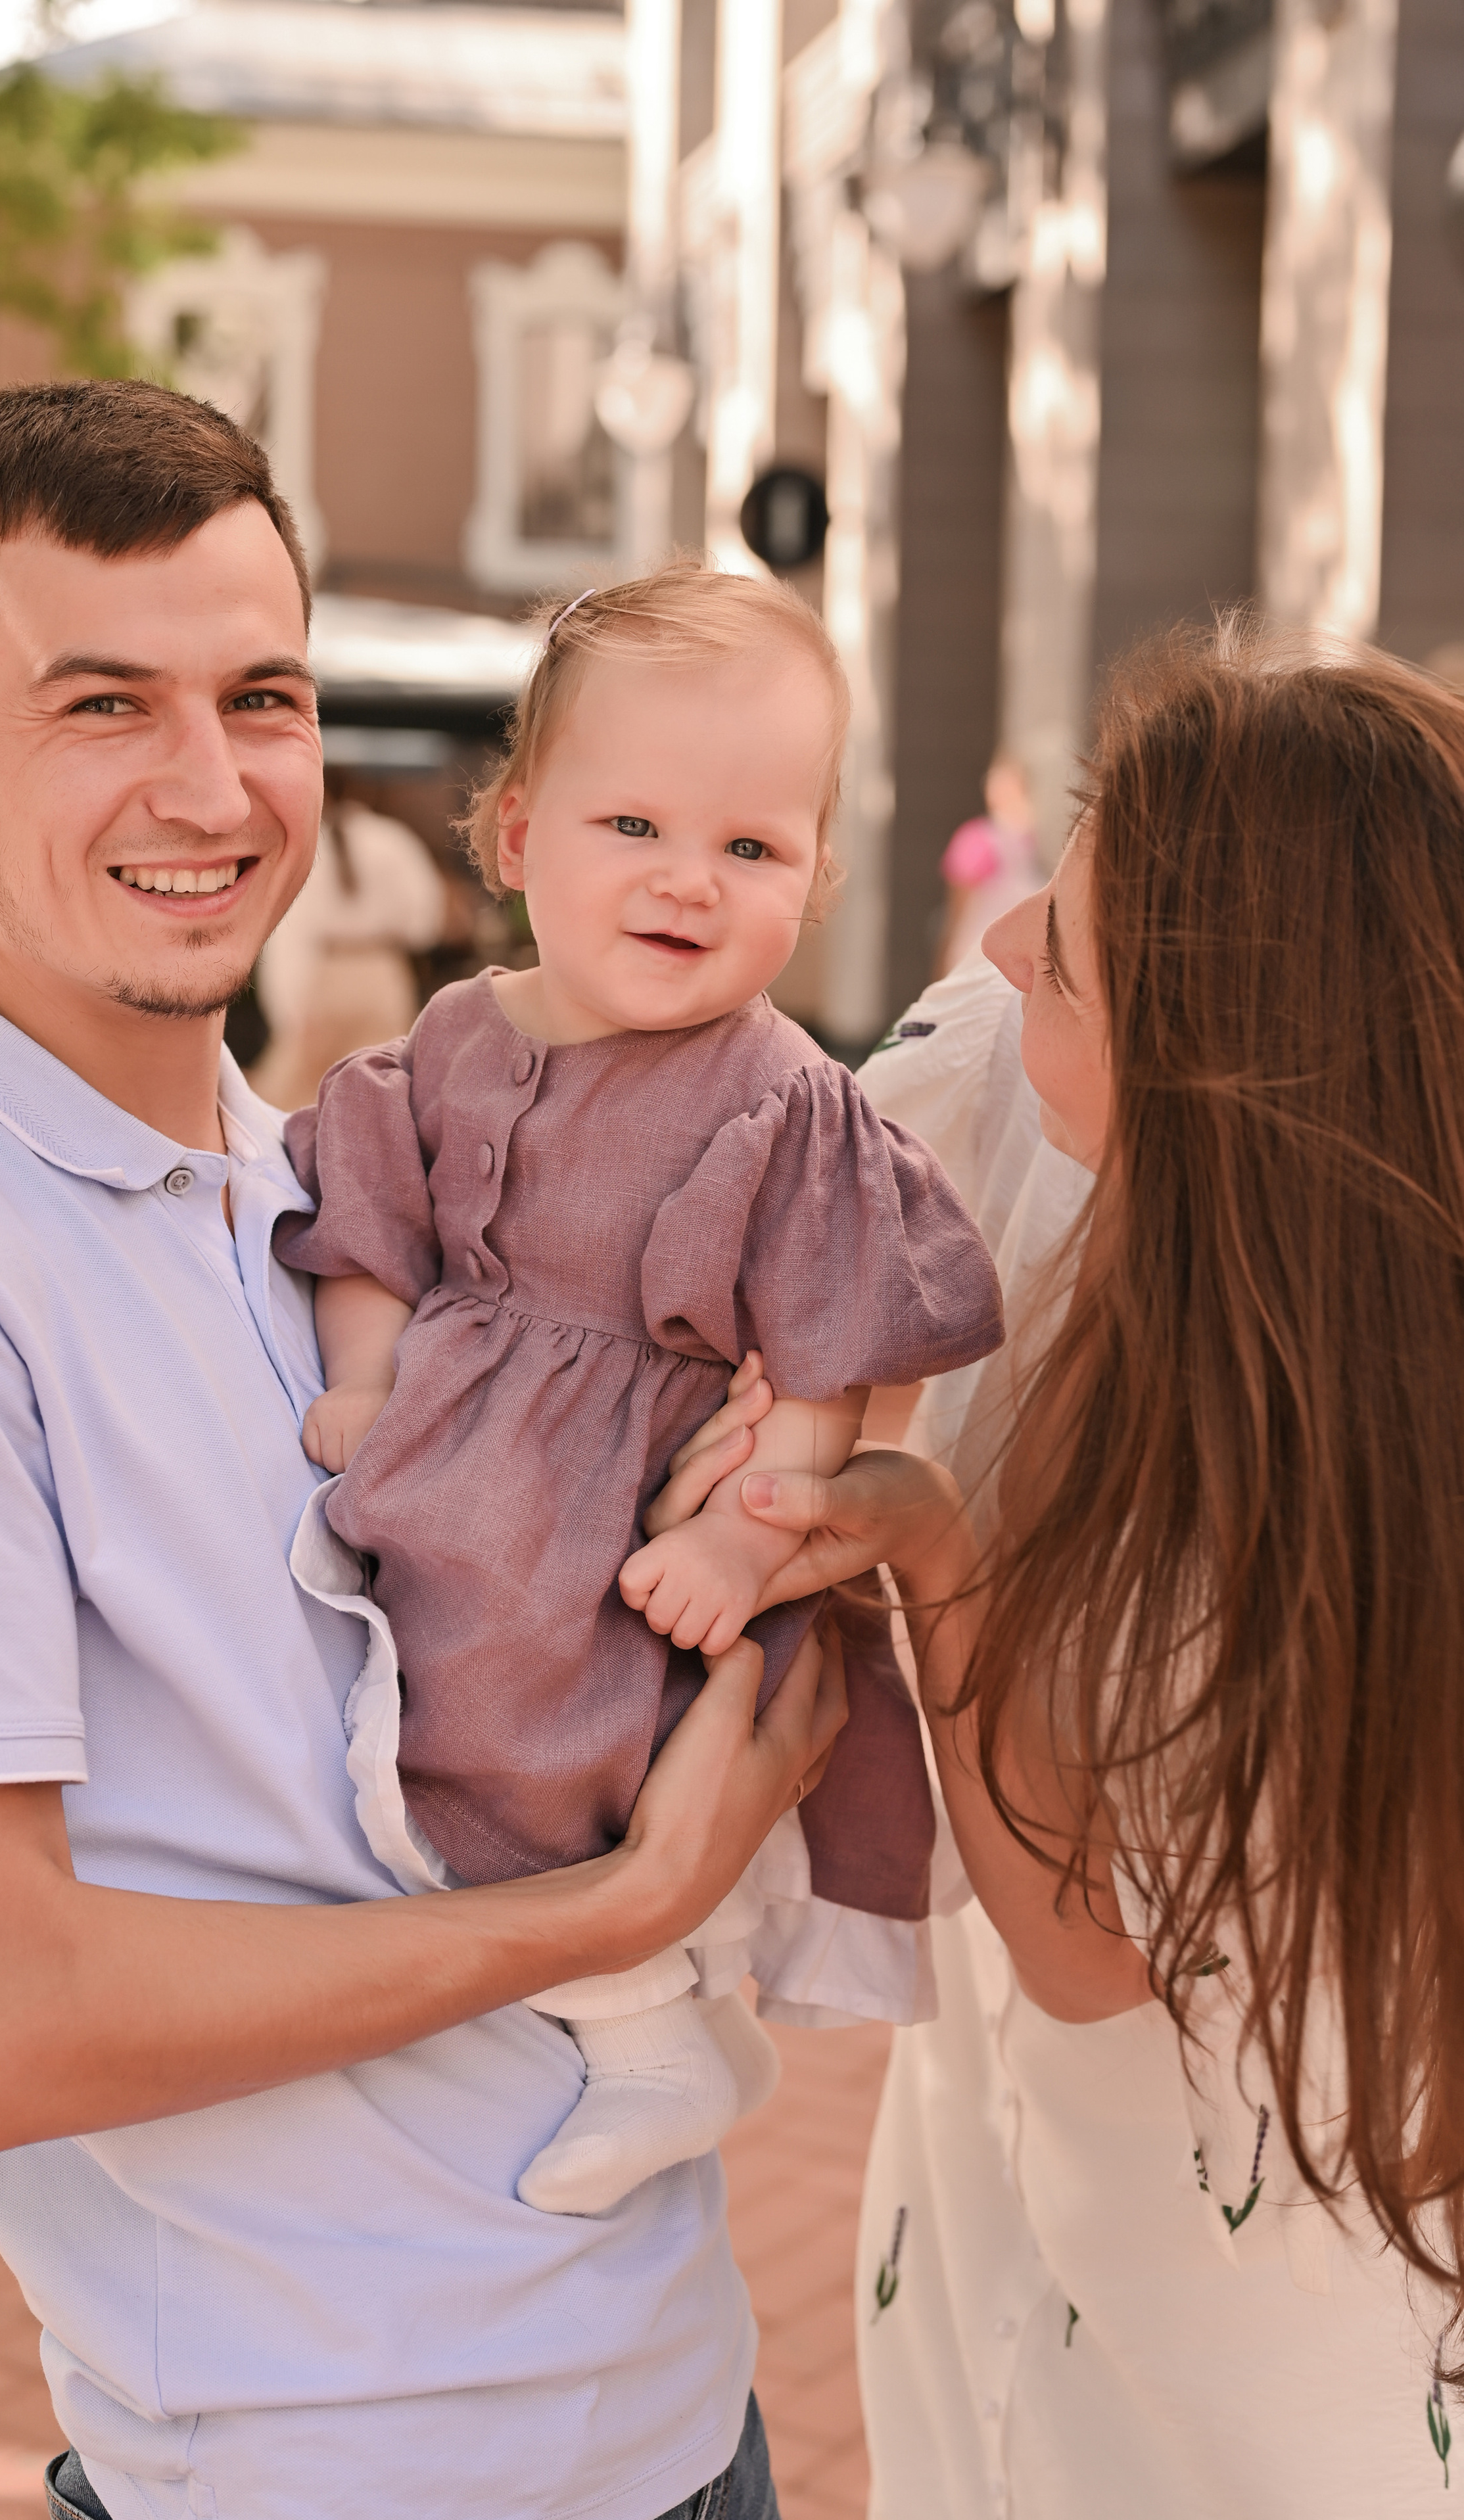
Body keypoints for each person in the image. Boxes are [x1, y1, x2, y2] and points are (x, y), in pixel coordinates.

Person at [0, 380, 847, 2520]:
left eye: (259, 694)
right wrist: (628, 1901)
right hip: (330, 2468)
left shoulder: (345, 1193)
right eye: (102, 703)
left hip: (675, 2397)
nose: (212, 783)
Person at [681, 622, 1464, 2514]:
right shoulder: (1015, 1114)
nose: (1014, 939)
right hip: (989, 2209)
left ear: (1223, 1086)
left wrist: (938, 1563)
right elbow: (770, 1158)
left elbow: (1093, 1939)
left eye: (1080, 964)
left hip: (1248, 2314)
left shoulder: (1348, 1469)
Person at [277, 563, 1004, 2218]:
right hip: (455, 1458)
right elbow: (371, 1211)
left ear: (813, 877)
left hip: (621, 1497)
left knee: (542, 1709)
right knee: (397, 1696)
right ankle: (520, 1996)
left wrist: (750, 1548)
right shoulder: (452, 1033)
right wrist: (364, 1367)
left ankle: (643, 2021)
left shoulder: (783, 1097)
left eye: (748, 847)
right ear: (517, 834)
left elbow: (821, 1360)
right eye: (634, 829)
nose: (689, 881)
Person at [252, 768, 448, 1108]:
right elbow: (425, 918)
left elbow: (292, 932)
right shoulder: (392, 839)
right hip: (381, 972)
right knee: (382, 1087)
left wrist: (288, 1009)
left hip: (328, 971)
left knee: (306, 1098)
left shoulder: (307, 849)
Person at [933, 751, 1042, 978]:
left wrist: (943, 958)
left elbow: (957, 910)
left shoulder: (977, 838)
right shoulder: (1028, 843)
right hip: (1011, 961)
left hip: (976, 956)